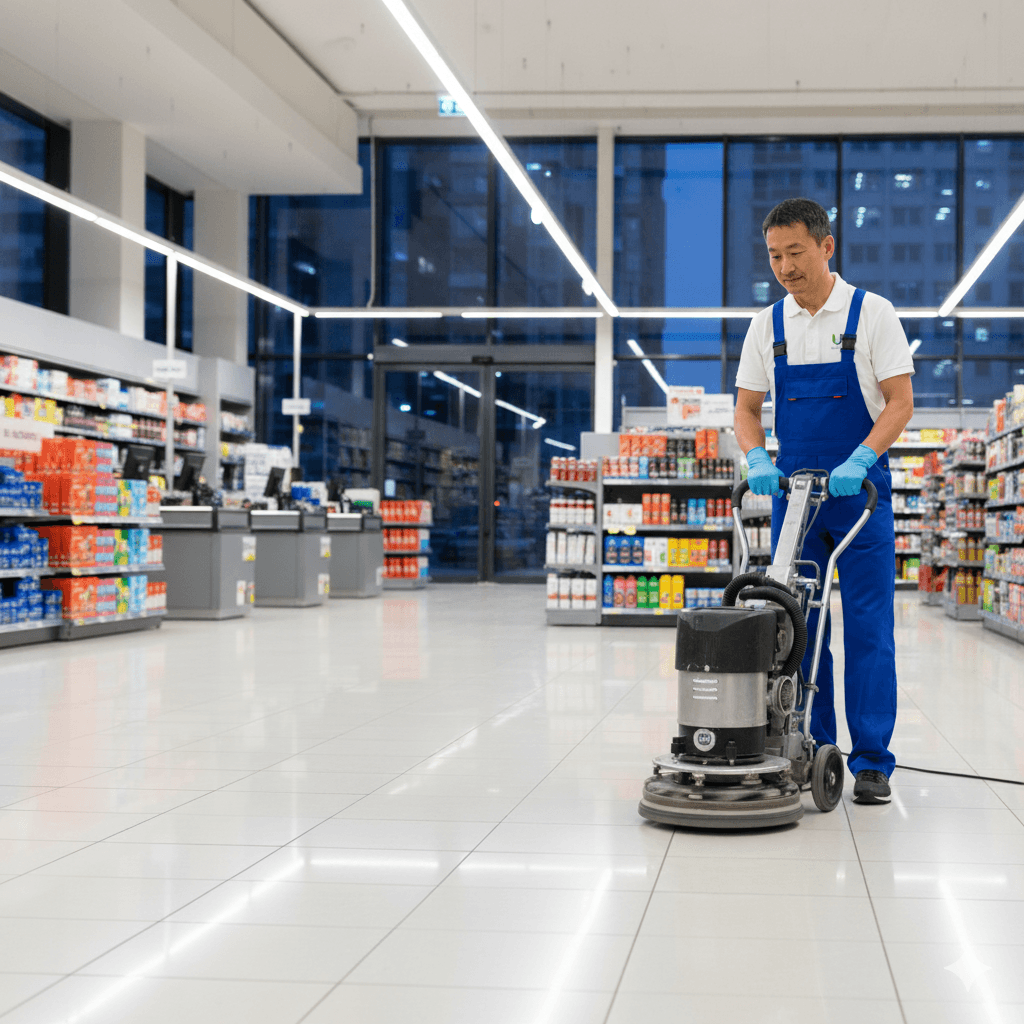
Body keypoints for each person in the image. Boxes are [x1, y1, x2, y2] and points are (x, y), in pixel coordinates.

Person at [734, 197, 915, 804]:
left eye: (795, 253)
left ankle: (870, 761)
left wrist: (862, 458)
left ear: (826, 246)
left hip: (859, 497)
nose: (784, 267)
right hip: (795, 502)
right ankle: (811, 743)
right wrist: (757, 457)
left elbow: (899, 401)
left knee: (869, 629)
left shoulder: (872, 314)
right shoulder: (768, 325)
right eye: (774, 256)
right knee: (799, 627)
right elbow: (746, 408)